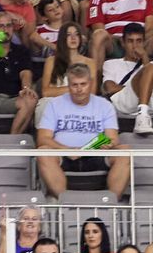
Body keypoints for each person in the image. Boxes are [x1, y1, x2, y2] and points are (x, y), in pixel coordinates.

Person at [34, 62, 128, 197]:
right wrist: (67, 150)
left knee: (124, 151)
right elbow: (43, 139)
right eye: (75, 85)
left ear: (90, 83)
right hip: (63, 155)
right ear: (68, 85)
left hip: (96, 153)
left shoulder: (105, 105)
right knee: (43, 151)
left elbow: (112, 138)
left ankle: (110, 202)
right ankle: (64, 203)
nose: (79, 89)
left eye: (83, 84)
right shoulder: (54, 104)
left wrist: (91, 148)